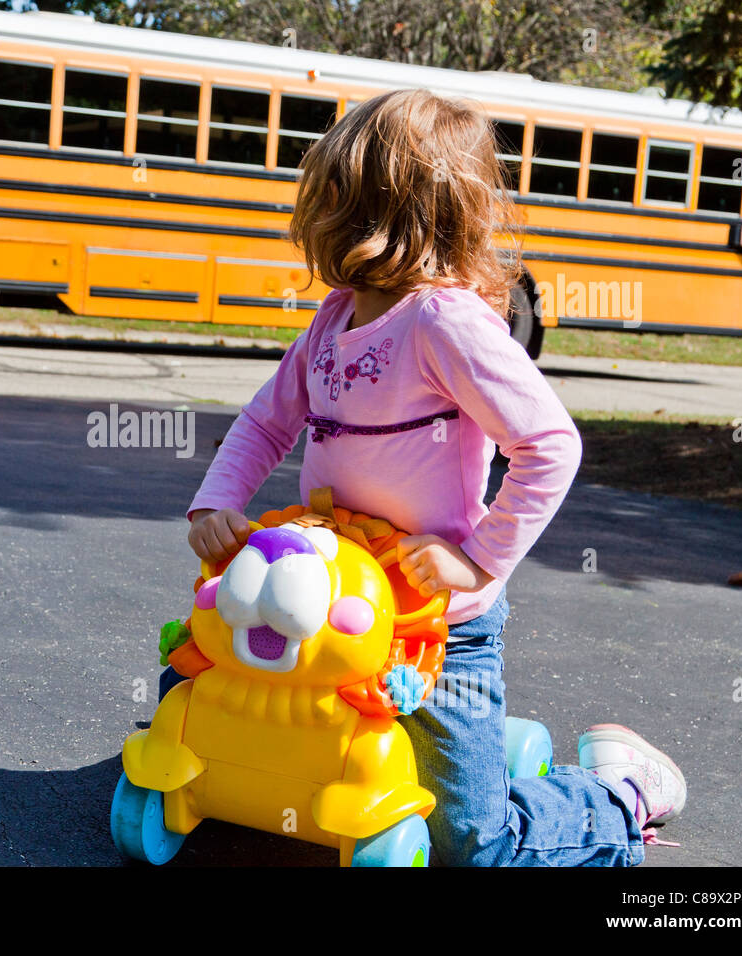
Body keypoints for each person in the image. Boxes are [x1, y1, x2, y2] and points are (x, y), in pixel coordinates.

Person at [180, 88, 685, 865]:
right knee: (216, 665)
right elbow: (266, 420)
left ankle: (615, 794)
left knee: (474, 845)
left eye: (331, 191)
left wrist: (479, 559)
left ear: (377, 208)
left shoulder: (444, 322)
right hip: (335, 592)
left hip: (437, 623)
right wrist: (217, 500)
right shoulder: (335, 315)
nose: (317, 210)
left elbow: (551, 445)